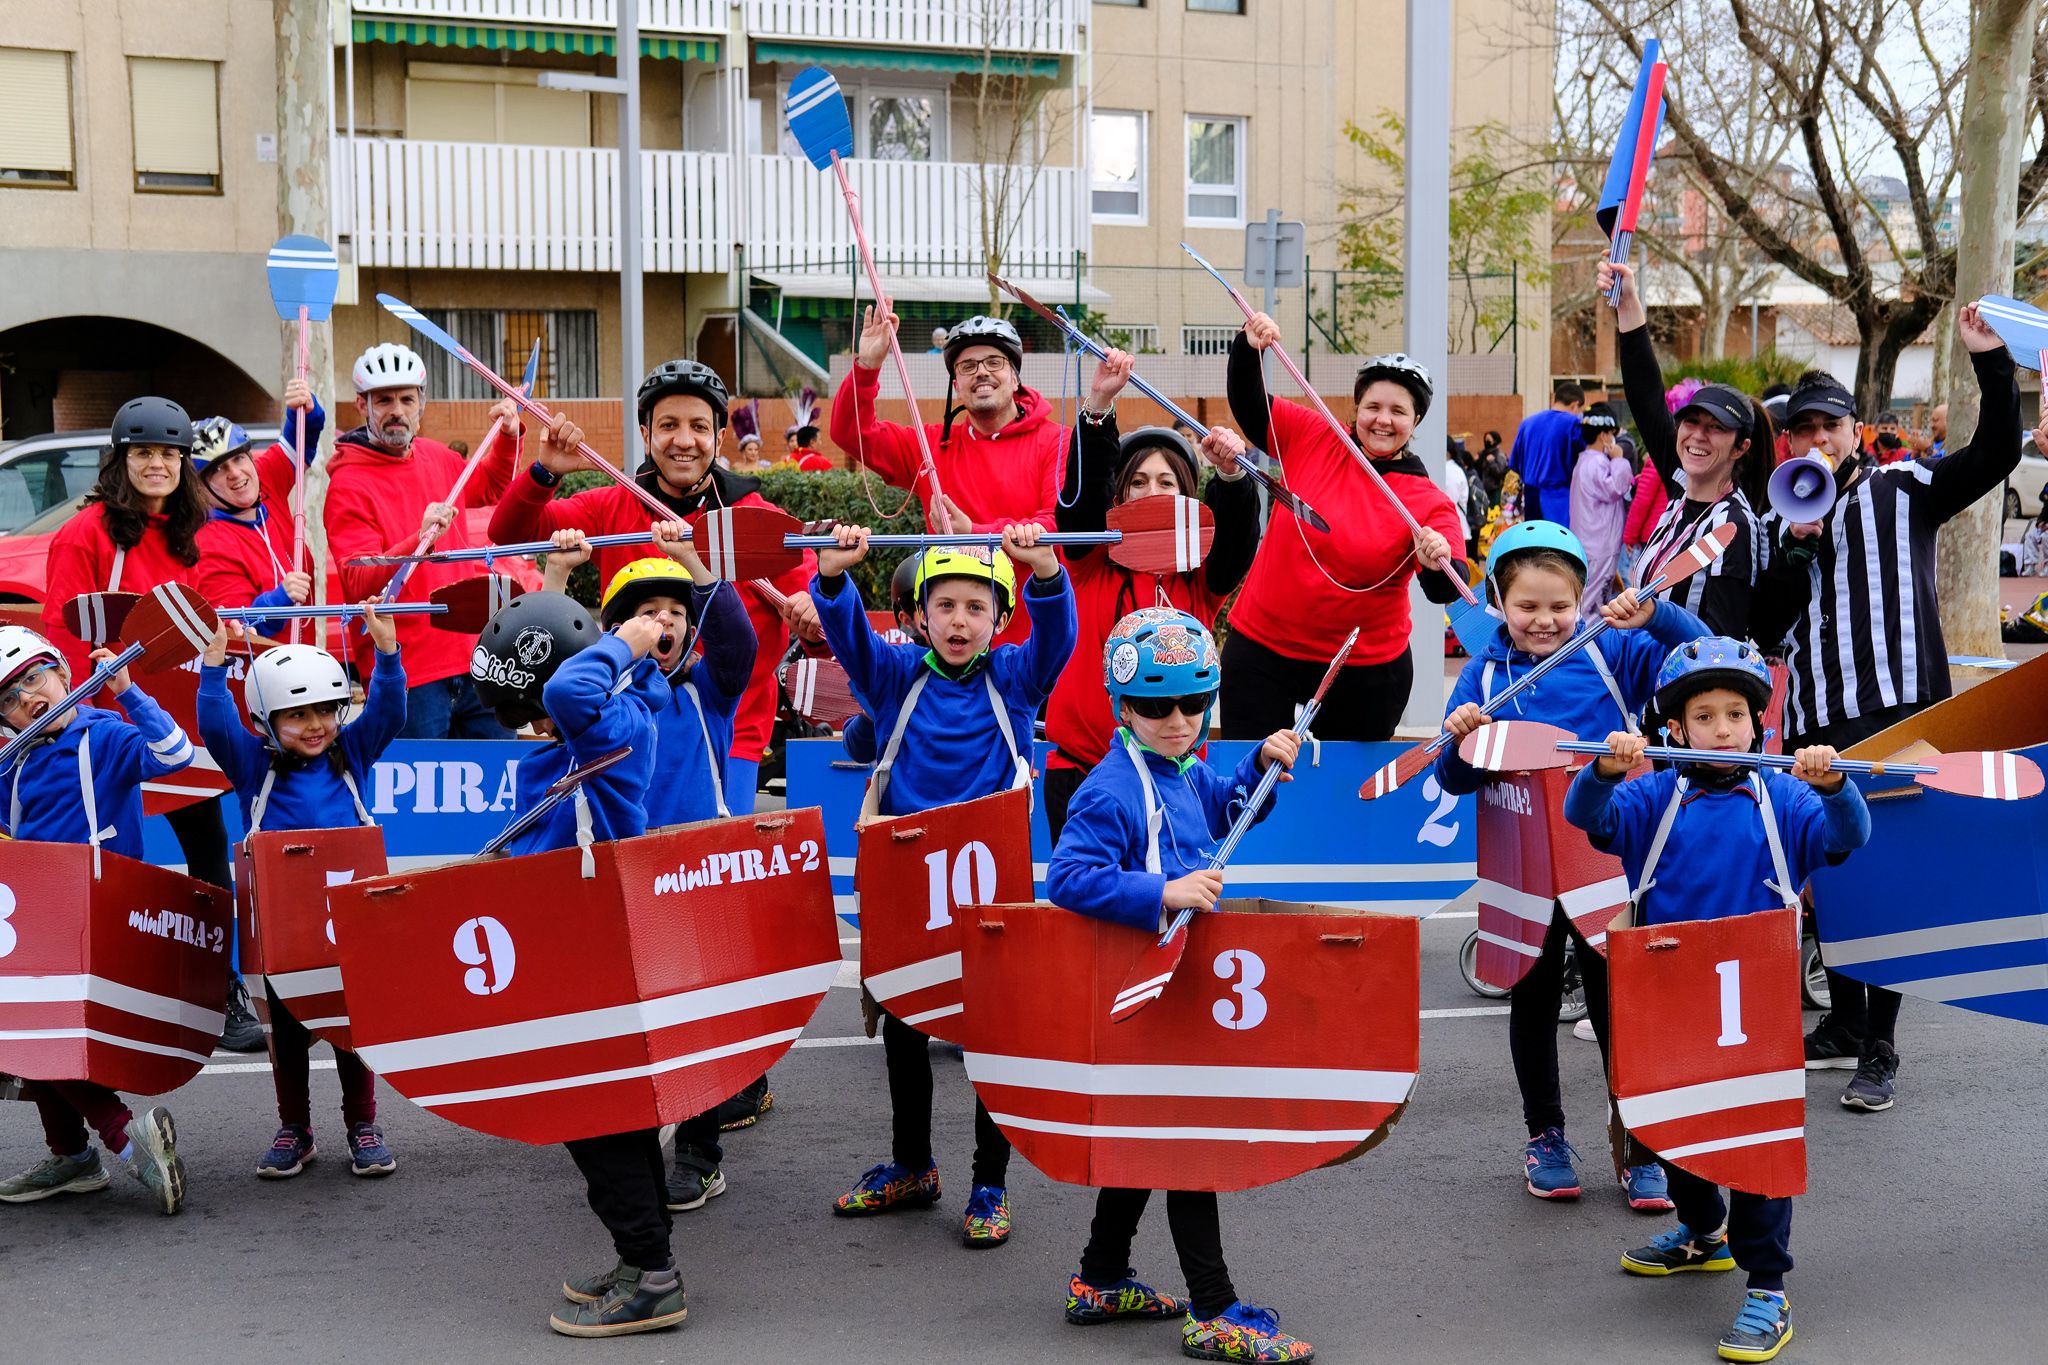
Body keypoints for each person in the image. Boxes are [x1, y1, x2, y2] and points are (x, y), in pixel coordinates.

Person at [1564, 637, 1872, 1364]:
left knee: (1756, 1144)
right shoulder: (1649, 794)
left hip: (1756, 1002)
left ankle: (1768, 1284)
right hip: (1669, 993)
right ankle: (1705, 1234)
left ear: (1759, 723)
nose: (1725, 727)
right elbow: (1589, 816)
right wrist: (1605, 768)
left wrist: (1834, 785)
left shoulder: (1787, 796)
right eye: (1706, 715)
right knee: (1669, 1131)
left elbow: (1851, 835)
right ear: (1678, 729)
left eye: (1737, 712)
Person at [1750, 302, 2021, 1113]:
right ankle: (1842, 1020)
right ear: (1791, 441)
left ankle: (1880, 1045)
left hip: (1902, 712)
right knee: (1831, 878)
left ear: (1854, 431)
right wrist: (1796, 549)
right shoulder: (1778, 513)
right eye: (1803, 431)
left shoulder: (1904, 486)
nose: (1817, 442)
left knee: (1889, 877)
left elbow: (1999, 451)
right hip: (1818, 719)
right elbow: (1765, 627)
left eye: (1829, 427)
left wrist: (1992, 363)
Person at [1043, 607, 1313, 1364]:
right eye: (1155, 704)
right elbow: (1069, 877)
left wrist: (1258, 767)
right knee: (1188, 1137)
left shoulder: (1184, 764)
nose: (1177, 719)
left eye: (1193, 702)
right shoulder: (1109, 788)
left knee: (1151, 1133)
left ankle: (1099, 1276)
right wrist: (1160, 891)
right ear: (1121, 705)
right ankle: (1213, 1306)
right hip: (1141, 984)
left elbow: (1221, 819)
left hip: (1174, 982)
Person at [808, 522, 1076, 1248]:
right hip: (911, 882)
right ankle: (912, 1163)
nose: (960, 620)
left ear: (999, 619)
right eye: (946, 605)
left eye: (977, 607)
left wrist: (1047, 573)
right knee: (904, 1021)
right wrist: (832, 580)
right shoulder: (896, 679)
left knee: (990, 1033)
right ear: (920, 615)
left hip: (991, 889)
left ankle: (989, 1183)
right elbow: (849, 642)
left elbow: (1059, 642)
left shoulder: (1014, 677)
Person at [1434, 521, 1709, 1211]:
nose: (1545, 620)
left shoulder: (1613, 648)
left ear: (1581, 598)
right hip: (1519, 859)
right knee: (1530, 998)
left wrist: (1659, 613)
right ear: (1499, 600)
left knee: (1621, 1002)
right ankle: (1546, 1135)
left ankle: (1639, 1140)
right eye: (1527, 605)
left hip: (1608, 855)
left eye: (1559, 604)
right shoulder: (1484, 673)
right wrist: (1462, 740)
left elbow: (1705, 657)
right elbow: (1450, 779)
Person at [467, 590, 682, 1337]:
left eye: (529, 712)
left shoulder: (609, 724)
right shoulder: (575, 736)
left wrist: (628, 639)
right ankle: (641, 1260)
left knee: (597, 1118)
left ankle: (653, 1275)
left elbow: (567, 687)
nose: (533, 724)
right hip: (566, 956)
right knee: (607, 1118)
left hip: (596, 962)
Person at [490, 361, 815, 812]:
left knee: (712, 859)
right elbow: (508, 533)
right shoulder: (613, 503)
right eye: (668, 425)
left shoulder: (755, 516)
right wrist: (545, 471)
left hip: (727, 728)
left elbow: (817, 617)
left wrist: (811, 609)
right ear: (646, 434)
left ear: (719, 437)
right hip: (625, 724)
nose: (684, 440)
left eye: (699, 426)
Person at [41, 395, 259, 1050]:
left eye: (169, 453)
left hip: (171, 722)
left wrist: (233, 632)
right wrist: (80, 712)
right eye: (144, 453)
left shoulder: (190, 534)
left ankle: (223, 995)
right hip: (103, 729)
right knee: (109, 862)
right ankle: (91, 987)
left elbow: (200, 625)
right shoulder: (82, 536)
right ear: (121, 460)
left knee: (208, 857)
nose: (157, 464)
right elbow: (61, 634)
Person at [195, 607, 404, 1180]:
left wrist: (388, 659)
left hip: (343, 922)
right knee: (283, 1032)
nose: (314, 725)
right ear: (265, 722)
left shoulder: (351, 756)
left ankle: (364, 1125)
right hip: (279, 924)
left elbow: (388, 712)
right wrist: (213, 669)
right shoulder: (251, 765)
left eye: (324, 712)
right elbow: (215, 725)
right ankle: (296, 1128)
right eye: (297, 715)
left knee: (349, 1028)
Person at [0, 624, 195, 1214]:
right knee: (27, 1038)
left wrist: (130, 692)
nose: (29, 697)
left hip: (101, 912)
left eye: (36, 677)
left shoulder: (104, 735)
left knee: (29, 1034)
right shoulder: (12, 763)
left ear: (64, 673)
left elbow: (174, 756)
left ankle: (115, 1138)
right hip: (38, 915)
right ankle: (74, 1156)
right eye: (10, 695)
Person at [1044, 347, 1262, 840]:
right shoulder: (1092, 560)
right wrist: (1099, 405)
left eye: (1167, 482)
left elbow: (1237, 546)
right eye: (1138, 482)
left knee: (1169, 902)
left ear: (1188, 497)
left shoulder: (1200, 577)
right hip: (1082, 768)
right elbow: (1079, 509)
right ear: (1119, 498)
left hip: (1175, 775)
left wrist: (1232, 474)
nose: (1152, 492)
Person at [1220, 313, 1467, 741]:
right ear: (1357, 409)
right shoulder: (1315, 434)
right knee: (1251, 784)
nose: (1383, 420)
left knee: (1343, 797)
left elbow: (1448, 587)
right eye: (1373, 407)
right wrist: (1247, 348)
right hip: (1262, 650)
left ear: (1416, 422)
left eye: (1398, 411)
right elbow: (1249, 402)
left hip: (1364, 672)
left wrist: (1434, 561)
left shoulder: (1430, 501)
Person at [324, 343, 524, 739]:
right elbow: (359, 582)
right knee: (417, 798)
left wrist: (507, 436)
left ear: (422, 404)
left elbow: (490, 487)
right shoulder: (346, 484)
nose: (396, 410)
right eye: (383, 400)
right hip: (408, 674)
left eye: (406, 398)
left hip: (478, 659)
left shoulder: (440, 457)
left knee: (499, 793)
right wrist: (419, 538)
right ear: (362, 406)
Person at [1601, 261, 1771, 637]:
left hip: (1689, 690)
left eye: (1716, 429)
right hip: (1643, 679)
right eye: (1691, 422)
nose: (1697, 436)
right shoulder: (1680, 486)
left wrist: (1657, 616)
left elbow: (1721, 637)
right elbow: (1645, 395)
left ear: (1740, 448)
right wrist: (1627, 303)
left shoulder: (1735, 526)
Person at [830, 309, 1066, 570]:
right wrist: (866, 365)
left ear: (1015, 379)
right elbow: (850, 433)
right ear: (956, 387)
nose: (981, 372)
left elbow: (1058, 523)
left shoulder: (1057, 440)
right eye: (967, 367)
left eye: (994, 362)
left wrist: (973, 532)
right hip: (949, 610)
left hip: (1036, 607)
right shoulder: (927, 446)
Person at [190, 381, 323, 637]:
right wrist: (278, 600)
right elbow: (237, 629)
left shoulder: (264, 479)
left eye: (239, 458)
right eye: (218, 469)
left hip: (307, 658)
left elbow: (301, 438)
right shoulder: (208, 544)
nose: (235, 473)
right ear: (199, 487)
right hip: (262, 673)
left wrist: (305, 408)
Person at [1570, 404, 1633, 622]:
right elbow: (1616, 487)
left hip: (1590, 540)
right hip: (1600, 543)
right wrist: (1619, 459)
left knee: (1590, 596)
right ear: (1604, 435)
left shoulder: (1585, 460)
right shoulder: (1597, 463)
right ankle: (1586, 646)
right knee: (1593, 602)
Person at [1508, 383, 1586, 525]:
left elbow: (1514, 463)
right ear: (1576, 405)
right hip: (1559, 497)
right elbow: (1585, 459)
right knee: (1559, 543)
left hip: (1531, 495)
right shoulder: (1573, 423)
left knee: (1535, 543)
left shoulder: (1527, 423)